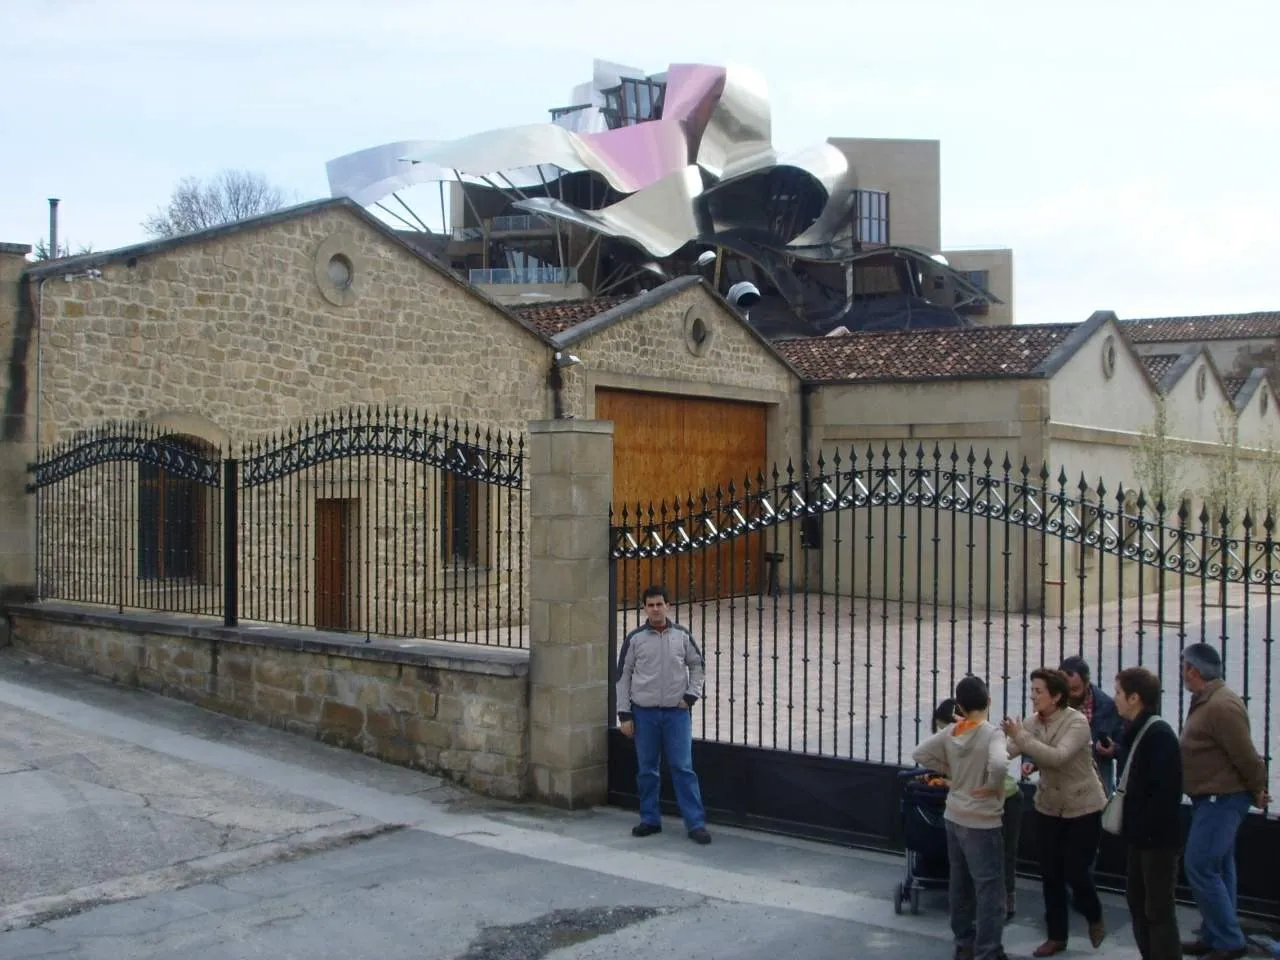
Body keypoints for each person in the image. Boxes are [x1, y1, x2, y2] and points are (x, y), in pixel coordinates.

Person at [1003, 668, 1108, 958]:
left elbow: (1058, 757)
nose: (1033, 696)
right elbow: (1007, 749)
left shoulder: (1077, 723)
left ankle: (1094, 912)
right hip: (1048, 805)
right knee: (1050, 872)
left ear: (1057, 695)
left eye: (1039, 691)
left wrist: (1022, 740)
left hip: (1082, 807)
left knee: (1075, 869)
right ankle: (1056, 936)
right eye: (1032, 690)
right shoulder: (1032, 723)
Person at [1178, 643, 1270, 960]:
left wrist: (1259, 787)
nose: (1182, 673)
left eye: (1184, 667)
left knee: (1200, 864)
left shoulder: (1221, 706)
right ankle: (1215, 933)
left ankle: (1229, 941)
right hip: (1210, 797)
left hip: (1222, 799)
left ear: (1194, 670)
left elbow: (1245, 755)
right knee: (1219, 866)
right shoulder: (1207, 700)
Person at [914, 676, 1011, 960]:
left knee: (960, 883)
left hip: (954, 815)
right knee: (990, 887)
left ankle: (963, 940)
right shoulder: (991, 733)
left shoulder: (953, 731)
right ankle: (989, 949)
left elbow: (920, 753)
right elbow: (1000, 762)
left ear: (960, 705)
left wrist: (951, 770)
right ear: (989, 701)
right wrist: (993, 784)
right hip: (982, 819)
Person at [615, 584, 711, 845]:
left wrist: (691, 695)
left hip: (676, 714)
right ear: (644, 608)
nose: (655, 609)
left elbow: (698, 665)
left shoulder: (681, 636)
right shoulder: (635, 639)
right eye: (650, 605)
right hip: (644, 714)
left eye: (660, 604)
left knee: (683, 768)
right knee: (647, 770)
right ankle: (649, 819)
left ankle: (695, 824)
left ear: (668, 606)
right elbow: (622, 677)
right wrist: (624, 715)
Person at [1112, 667, 1183, 960]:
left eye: (1118, 693)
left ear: (1134, 698)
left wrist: (1142, 827)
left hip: (1157, 840)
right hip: (1141, 837)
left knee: (1157, 909)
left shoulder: (1158, 734)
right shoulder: (1136, 730)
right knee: (1138, 903)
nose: (1114, 698)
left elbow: (1165, 792)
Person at [933, 698, 1023, 921]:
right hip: (980, 801)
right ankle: (990, 905)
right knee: (983, 859)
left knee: (1004, 854)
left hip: (1006, 797)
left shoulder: (980, 738)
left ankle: (1006, 901)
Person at [1060, 655, 1126, 796]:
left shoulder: (1108, 707)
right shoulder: (1054, 702)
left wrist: (1112, 749)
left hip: (1095, 787)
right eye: (1066, 689)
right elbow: (1037, 733)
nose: (1070, 695)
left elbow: (1124, 745)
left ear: (1087, 683)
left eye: (1075, 689)